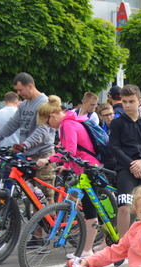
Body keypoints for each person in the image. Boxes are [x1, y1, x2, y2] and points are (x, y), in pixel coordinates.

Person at [36, 98, 102, 256]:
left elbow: (70, 151)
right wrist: (66, 165)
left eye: (47, 122)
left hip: (88, 168)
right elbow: (74, 150)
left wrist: (48, 160)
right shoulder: (69, 122)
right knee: (89, 207)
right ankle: (87, 247)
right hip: (86, 166)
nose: (49, 126)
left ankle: (87, 250)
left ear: (52, 116)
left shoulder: (67, 124)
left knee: (90, 210)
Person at [108, 84, 141, 238]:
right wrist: (132, 165)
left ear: (139, 101)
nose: (127, 105)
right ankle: (123, 244)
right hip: (125, 168)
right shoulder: (117, 123)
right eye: (124, 102)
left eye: (131, 101)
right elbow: (114, 147)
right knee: (124, 207)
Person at [0, 72, 56, 198]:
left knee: (46, 197)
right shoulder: (24, 104)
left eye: (20, 90)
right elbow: (12, 124)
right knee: (31, 198)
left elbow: (42, 130)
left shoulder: (44, 103)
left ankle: (52, 210)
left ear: (30, 86)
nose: (18, 93)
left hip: (42, 155)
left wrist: (25, 144)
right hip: (27, 156)